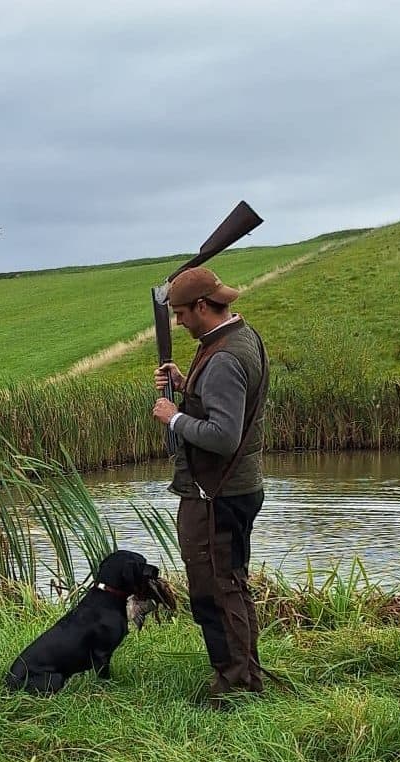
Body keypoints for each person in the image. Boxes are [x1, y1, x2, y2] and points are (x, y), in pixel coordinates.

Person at [150, 265, 268, 707]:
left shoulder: (222, 358)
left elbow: (223, 436)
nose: (178, 322)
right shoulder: (239, 338)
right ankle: (243, 671)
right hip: (233, 489)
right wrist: (187, 385)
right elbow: (226, 402)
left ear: (203, 306)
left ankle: (236, 683)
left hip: (215, 495)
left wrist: (174, 416)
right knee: (230, 581)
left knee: (215, 588)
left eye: (181, 313)